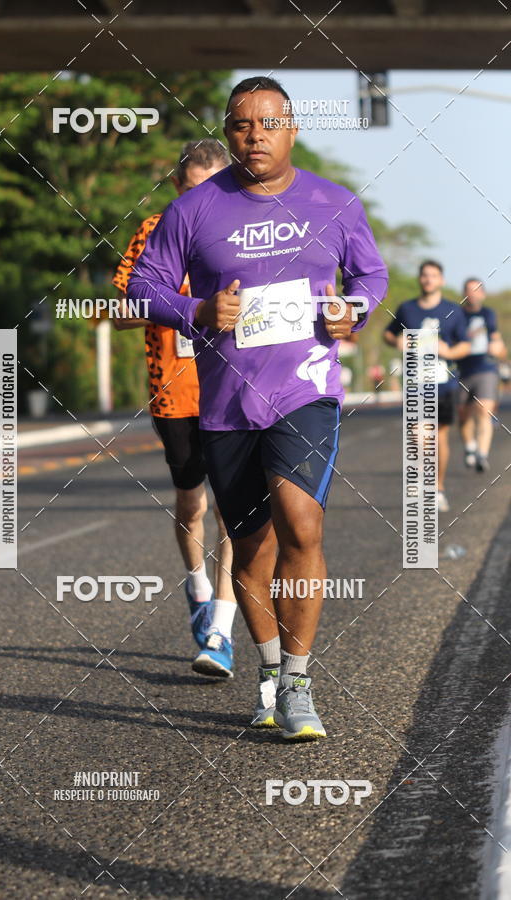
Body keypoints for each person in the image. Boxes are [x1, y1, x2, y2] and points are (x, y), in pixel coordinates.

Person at [128, 76, 388, 740]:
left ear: (292, 129)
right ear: (227, 132)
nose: (255, 136)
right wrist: (195, 309)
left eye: (269, 123)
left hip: (306, 389)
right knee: (250, 548)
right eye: (242, 125)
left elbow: (371, 275)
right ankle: (270, 671)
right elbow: (142, 286)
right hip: (227, 403)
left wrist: (352, 311)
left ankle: (298, 681)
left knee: (300, 522)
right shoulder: (193, 209)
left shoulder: (333, 202)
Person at [111, 139, 238, 679]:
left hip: (233, 388)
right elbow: (120, 311)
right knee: (192, 506)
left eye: (211, 189)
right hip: (174, 392)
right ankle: (198, 588)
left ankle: (221, 631)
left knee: (233, 509)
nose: (200, 202)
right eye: (190, 191)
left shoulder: (243, 228)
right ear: (174, 187)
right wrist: (186, 308)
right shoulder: (153, 230)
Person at [384, 260, 470, 513]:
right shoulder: (407, 309)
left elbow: (465, 344)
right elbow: (389, 334)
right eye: (425, 275)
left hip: (443, 383)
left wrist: (449, 351)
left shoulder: (453, 310)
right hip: (415, 382)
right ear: (419, 279)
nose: (428, 279)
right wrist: (397, 341)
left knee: (439, 436)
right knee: (417, 434)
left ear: (441, 280)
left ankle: (438, 488)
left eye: (433, 275)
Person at [457, 278, 506, 472]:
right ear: (464, 294)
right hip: (462, 370)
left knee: (484, 410)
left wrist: (499, 349)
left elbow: (497, 341)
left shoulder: (488, 314)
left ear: (483, 294)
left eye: (476, 290)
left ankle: (482, 455)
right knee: (463, 414)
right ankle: (470, 447)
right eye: (469, 290)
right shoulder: (456, 315)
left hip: (486, 369)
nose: (473, 294)